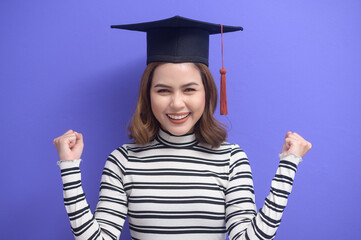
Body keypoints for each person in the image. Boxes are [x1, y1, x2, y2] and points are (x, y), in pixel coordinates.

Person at [53, 16, 312, 240]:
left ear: (207, 92)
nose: (177, 104)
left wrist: (288, 166)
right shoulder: (123, 161)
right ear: (148, 95)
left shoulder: (231, 159)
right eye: (163, 90)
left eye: (189, 89)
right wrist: (69, 168)